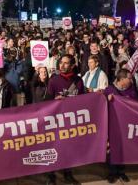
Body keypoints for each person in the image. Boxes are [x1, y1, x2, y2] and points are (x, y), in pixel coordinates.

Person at [45, 54, 83, 185]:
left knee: (69, 149)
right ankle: (51, 175)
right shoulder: (53, 80)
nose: (62, 65)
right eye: (61, 62)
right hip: (56, 121)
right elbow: (45, 103)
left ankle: (68, 173)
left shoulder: (78, 81)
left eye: (66, 63)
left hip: (71, 121)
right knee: (53, 148)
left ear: (72, 65)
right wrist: (54, 101)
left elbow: (84, 101)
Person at [104, 68, 137, 183]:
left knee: (124, 148)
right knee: (113, 149)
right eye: (129, 78)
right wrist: (107, 100)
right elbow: (101, 106)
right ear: (122, 79)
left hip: (126, 125)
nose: (131, 80)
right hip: (113, 125)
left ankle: (121, 171)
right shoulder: (109, 89)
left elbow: (136, 104)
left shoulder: (131, 89)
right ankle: (112, 172)